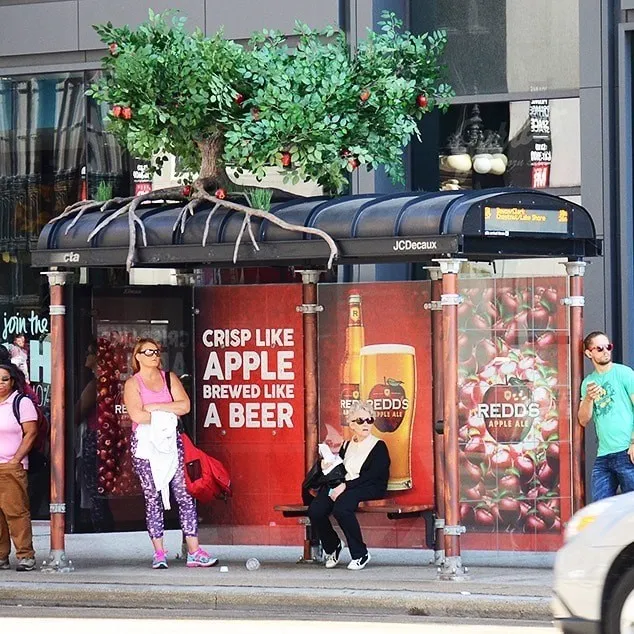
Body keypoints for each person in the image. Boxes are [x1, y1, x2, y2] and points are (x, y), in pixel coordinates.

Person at [123, 337, 217, 569]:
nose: (154, 355)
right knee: (152, 497)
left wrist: (154, 408)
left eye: (156, 351)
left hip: (172, 444)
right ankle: (159, 552)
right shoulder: (133, 384)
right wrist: (167, 413)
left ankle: (194, 551)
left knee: (184, 494)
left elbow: (184, 406)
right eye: (148, 352)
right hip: (146, 447)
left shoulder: (169, 378)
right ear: (137, 357)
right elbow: (137, 415)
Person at [308, 401, 390, 570]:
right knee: (316, 509)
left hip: (368, 486)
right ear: (351, 424)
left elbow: (372, 476)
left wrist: (345, 486)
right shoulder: (346, 445)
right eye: (360, 420)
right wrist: (327, 466)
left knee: (342, 508)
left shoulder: (378, 446)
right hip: (346, 485)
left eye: (369, 420)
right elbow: (341, 470)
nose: (366, 424)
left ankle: (360, 553)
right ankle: (333, 546)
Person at [579, 331, 634, 501]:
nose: (605, 351)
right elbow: (583, 420)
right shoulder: (588, 383)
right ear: (589, 353)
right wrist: (588, 398)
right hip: (604, 455)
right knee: (600, 508)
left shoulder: (624, 373)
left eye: (608, 346)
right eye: (600, 348)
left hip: (627, 451)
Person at [0, 363, 38, 571]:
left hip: (11, 466)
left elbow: (31, 433)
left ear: (13, 381)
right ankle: (1, 556)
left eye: (5, 379)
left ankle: (25, 555)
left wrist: (16, 460)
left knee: (16, 512)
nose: (0, 383)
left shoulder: (21, 402)